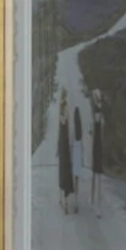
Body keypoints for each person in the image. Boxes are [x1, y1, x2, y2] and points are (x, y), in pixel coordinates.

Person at [56, 87, 74, 215]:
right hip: (64, 143)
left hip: (64, 143)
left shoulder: (64, 108)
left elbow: (63, 122)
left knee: (64, 171)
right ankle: (64, 200)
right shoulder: (63, 107)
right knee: (64, 171)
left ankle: (64, 201)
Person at [90, 89, 105, 215]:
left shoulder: (97, 111)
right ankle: (95, 203)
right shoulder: (99, 111)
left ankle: (96, 204)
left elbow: (96, 131)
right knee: (96, 175)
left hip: (97, 145)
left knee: (96, 175)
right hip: (98, 145)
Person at [71, 97, 84, 212]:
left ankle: (74, 201)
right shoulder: (80, 134)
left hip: (73, 156)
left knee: (73, 180)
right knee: (77, 179)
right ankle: (76, 201)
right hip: (78, 156)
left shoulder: (72, 133)